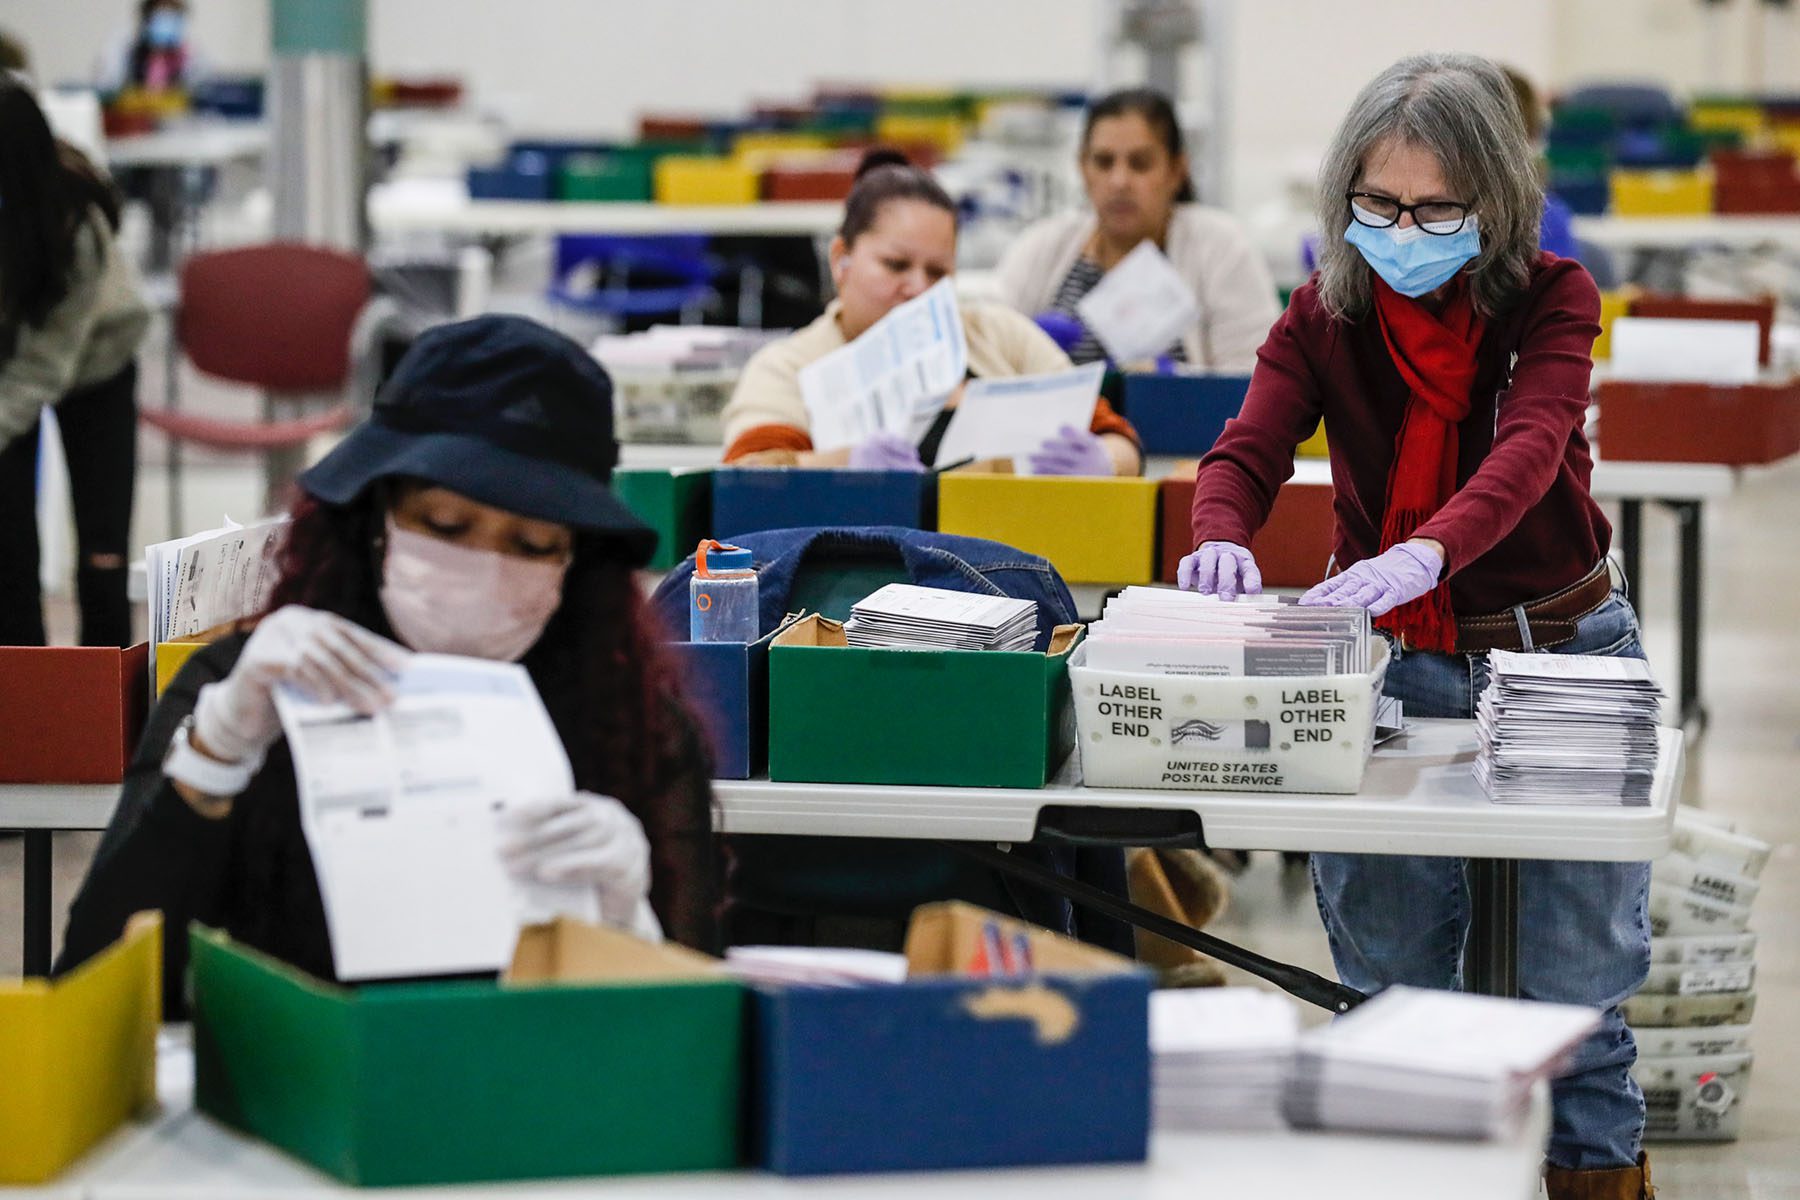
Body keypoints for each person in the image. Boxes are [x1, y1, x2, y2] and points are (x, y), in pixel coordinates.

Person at [1180, 55, 1653, 1200]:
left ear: (1492, 203)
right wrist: (1220, 529)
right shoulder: (1322, 312)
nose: (1402, 228)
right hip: (1398, 671)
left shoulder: (1552, 295)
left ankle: (1592, 1177)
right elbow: (1248, 448)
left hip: (1560, 657)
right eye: (1379, 204)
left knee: (1573, 998)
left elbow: (1529, 450)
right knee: (1390, 989)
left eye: (1437, 208)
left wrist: (1426, 550)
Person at [57, 315, 721, 1014]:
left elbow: (692, 1038)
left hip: (526, 1095)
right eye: (445, 525)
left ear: (575, 562)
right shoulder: (248, 688)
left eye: (531, 544)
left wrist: (629, 921)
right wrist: (212, 758)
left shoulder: (637, 729)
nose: (486, 569)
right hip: (282, 1086)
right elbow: (94, 987)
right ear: (377, 521)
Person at [721, 149, 1142, 477]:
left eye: (938, 272)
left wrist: (1105, 459)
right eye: (896, 265)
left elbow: (1119, 439)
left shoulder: (1001, 337)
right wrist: (844, 463)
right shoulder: (786, 367)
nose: (919, 288)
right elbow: (747, 474)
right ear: (840, 259)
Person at [0, 76, 149, 648]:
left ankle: (105, 717)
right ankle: (28, 711)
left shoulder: (74, 222)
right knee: (10, 555)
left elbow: (46, 365)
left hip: (98, 368)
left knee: (101, 558)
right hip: (11, 363)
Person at [995, 87, 1280, 371]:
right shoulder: (1041, 246)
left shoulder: (1221, 247)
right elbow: (982, 358)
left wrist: (1180, 382)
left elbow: (1257, 380)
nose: (1119, 181)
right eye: (1103, 162)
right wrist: (1018, 351)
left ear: (1176, 170)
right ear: (1082, 168)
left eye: (1140, 164)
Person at [95, 0, 205, 95]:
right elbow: (107, 86)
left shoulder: (187, 56)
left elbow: (200, 87)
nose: (167, 27)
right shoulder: (125, 49)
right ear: (147, 20)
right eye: (162, 19)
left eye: (173, 19)